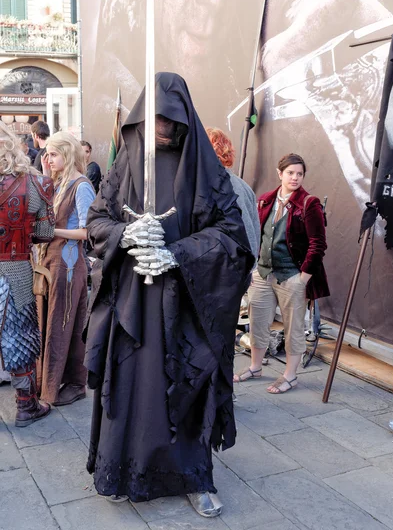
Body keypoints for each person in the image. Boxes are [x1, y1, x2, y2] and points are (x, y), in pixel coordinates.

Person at [84, 73, 253, 516]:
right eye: (155, 116)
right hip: (132, 305)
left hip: (186, 305)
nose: (162, 126)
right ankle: (122, 470)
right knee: (130, 391)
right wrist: (125, 232)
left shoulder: (206, 171)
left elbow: (233, 238)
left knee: (187, 389)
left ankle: (194, 477)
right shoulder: (124, 166)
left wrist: (178, 254)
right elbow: (96, 223)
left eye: (170, 117)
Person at [234, 153, 329, 393]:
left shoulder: (309, 203)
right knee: (257, 323)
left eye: (299, 174)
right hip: (263, 274)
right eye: (290, 173)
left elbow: (318, 244)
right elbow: (257, 234)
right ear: (280, 174)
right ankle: (255, 366)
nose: (295, 178)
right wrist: (255, 266)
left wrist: (303, 278)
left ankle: (290, 376)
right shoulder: (265, 200)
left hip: (292, 277)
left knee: (293, 327)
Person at [0, 121, 55, 426]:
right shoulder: (34, 184)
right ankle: (26, 406)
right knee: (19, 336)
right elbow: (46, 233)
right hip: (16, 265)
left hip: (13, 263)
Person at [37, 132, 96, 406]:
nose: (48, 159)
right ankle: (51, 383)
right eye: (47, 153)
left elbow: (89, 231)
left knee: (63, 325)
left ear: (68, 154)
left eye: (53, 154)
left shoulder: (81, 185)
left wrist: (52, 231)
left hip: (69, 264)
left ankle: (72, 383)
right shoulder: (59, 183)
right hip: (54, 262)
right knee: (54, 323)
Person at [205, 127, 260, 261]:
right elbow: (255, 232)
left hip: (227, 271)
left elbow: (244, 230)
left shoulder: (223, 186)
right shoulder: (243, 186)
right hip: (237, 269)